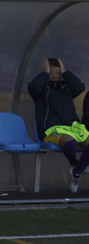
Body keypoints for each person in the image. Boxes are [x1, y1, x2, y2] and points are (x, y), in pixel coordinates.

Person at [28, 57, 88, 193]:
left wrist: (66, 72)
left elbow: (79, 87)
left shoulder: (66, 88)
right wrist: (44, 74)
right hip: (51, 129)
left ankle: (77, 172)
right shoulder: (41, 90)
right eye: (51, 72)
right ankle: (76, 164)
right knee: (70, 142)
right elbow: (33, 87)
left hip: (73, 126)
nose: (55, 76)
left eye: (58, 72)